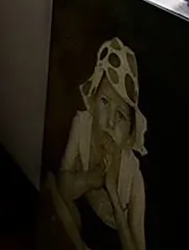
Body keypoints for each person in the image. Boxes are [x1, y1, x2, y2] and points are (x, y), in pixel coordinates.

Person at [49, 37, 147, 250]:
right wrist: (91, 179)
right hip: (80, 225)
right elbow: (62, 186)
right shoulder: (82, 126)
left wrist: (112, 190)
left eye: (121, 115)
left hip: (113, 239)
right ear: (92, 102)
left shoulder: (132, 177)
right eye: (104, 102)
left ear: (130, 133)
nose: (110, 121)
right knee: (50, 186)